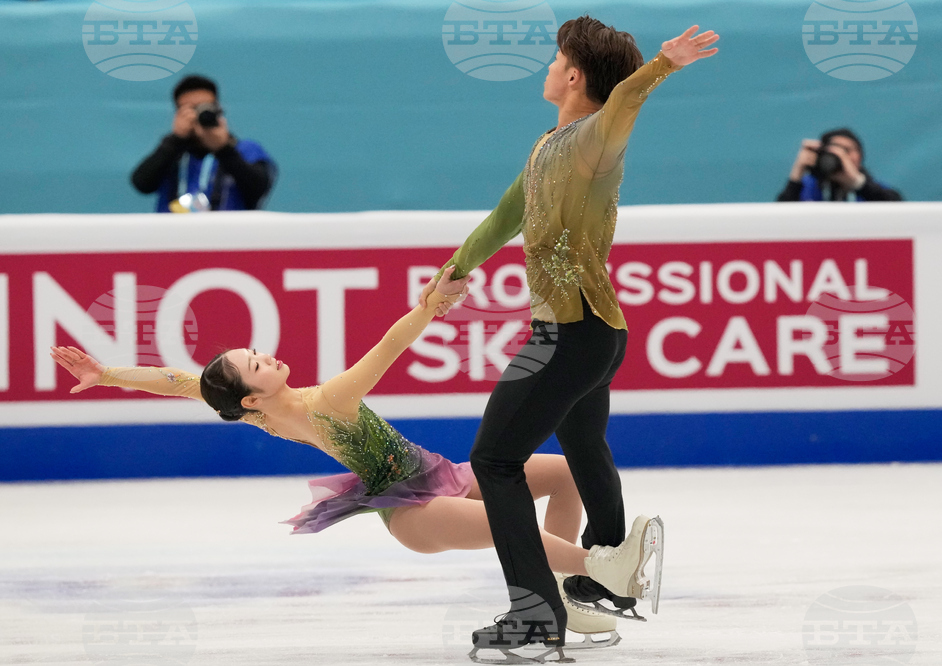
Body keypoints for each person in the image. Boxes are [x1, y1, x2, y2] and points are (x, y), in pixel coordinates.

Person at [48, 267, 638, 652]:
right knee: (510, 528)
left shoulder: (254, 409)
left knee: (563, 476)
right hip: (413, 509)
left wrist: (107, 375)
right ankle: (600, 572)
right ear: (252, 397)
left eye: (256, 350)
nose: (268, 355)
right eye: (257, 364)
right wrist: (431, 305)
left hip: (445, 476)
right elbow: (389, 345)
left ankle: (561, 598)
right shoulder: (326, 400)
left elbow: (177, 381)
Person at [418, 17, 719, 660]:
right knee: (582, 441)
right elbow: (505, 215)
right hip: (594, 333)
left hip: (571, 333)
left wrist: (663, 64)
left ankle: (535, 615)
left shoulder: (594, 139)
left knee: (495, 463)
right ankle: (606, 574)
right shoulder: (547, 145)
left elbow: (627, 100)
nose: (547, 67)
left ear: (574, 75)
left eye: (556, 58)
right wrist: (456, 268)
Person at [131, 75, 277, 212]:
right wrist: (176, 140)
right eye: (190, 109)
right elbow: (142, 184)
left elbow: (260, 190)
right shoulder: (172, 152)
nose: (199, 115)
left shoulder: (246, 150)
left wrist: (223, 149)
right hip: (173, 236)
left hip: (229, 236)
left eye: (205, 107)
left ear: (218, 108)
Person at [777, 128, 903, 202]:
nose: (842, 157)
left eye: (847, 151)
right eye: (835, 150)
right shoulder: (808, 187)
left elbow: (900, 213)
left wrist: (858, 183)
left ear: (859, 157)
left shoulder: (875, 190)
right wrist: (796, 174)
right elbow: (778, 221)